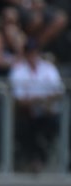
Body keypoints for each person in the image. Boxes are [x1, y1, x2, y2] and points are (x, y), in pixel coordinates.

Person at [9, 37, 65, 172]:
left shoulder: (48, 68)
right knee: (28, 128)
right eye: (29, 52)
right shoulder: (18, 70)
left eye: (34, 52)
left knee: (54, 125)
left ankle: (51, 162)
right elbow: (19, 99)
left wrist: (43, 102)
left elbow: (59, 92)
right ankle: (33, 161)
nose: (32, 55)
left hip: (48, 113)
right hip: (27, 114)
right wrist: (39, 101)